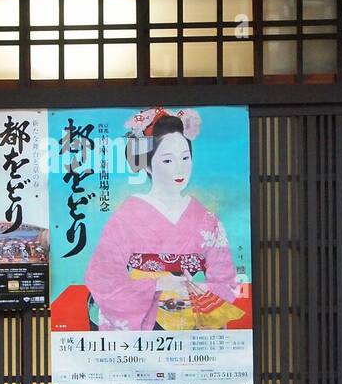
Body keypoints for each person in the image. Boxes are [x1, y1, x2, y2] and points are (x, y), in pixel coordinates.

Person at [84, 108, 242, 331]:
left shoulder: (207, 220)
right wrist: (157, 285)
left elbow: (226, 281)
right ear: (147, 164)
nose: (180, 168)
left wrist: (191, 290)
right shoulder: (126, 217)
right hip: (145, 321)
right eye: (167, 160)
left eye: (185, 158)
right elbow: (102, 276)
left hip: (192, 316)